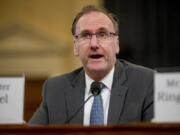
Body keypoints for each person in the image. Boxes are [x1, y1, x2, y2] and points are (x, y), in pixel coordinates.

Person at [29, 5, 154, 125]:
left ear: (116, 44)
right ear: (76, 47)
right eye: (85, 35)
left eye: (102, 34)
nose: (94, 44)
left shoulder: (146, 82)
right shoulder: (56, 90)